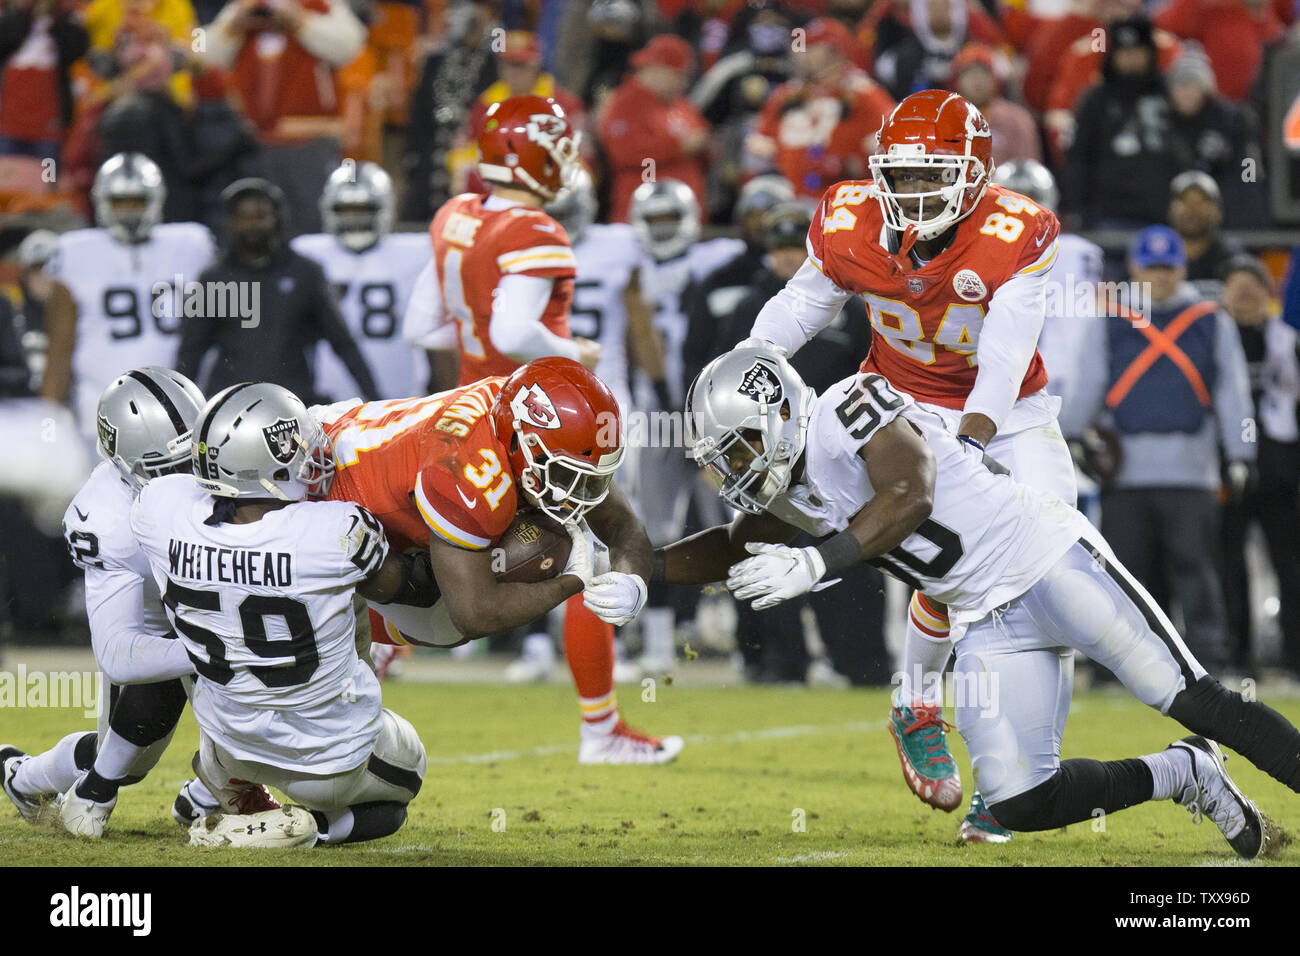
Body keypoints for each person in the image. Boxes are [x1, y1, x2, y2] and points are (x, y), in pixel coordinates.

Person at [660, 346, 1300, 857]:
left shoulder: (844, 408)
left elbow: (911, 492)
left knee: (1191, 696)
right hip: (985, 621)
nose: (733, 468)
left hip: (1043, 558)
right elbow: (728, 545)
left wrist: (815, 560)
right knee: (1021, 799)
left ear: (777, 413)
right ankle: (1184, 774)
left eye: (740, 445)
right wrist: (636, 570)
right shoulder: (787, 492)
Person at [743, 89, 1074, 842]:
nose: (915, 192)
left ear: (975, 172)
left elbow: (1002, 358)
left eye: (934, 176)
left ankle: (1019, 776)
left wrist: (977, 443)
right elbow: (802, 305)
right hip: (898, 405)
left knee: (1049, 581)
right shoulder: (850, 216)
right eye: (905, 174)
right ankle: (918, 703)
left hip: (1009, 414)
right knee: (952, 568)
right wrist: (749, 365)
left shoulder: (1016, 231)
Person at [316, 357, 685, 764]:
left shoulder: (523, 420)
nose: (579, 492)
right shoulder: (469, 466)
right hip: (315, 488)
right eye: (566, 475)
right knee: (364, 755)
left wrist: (633, 580)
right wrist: (572, 580)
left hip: (364, 472)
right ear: (521, 445)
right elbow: (475, 614)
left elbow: (621, 521)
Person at [131, 382, 430, 847]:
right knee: (405, 783)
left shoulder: (160, 511)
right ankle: (312, 831)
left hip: (228, 742)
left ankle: (214, 788)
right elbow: (408, 584)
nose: (309, 457)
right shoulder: (335, 530)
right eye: (295, 447)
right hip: (328, 757)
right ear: (264, 464)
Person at [1, 368, 278, 839]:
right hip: (156, 627)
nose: (191, 478)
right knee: (127, 757)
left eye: (196, 457)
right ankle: (23, 778)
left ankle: (210, 792)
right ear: (126, 465)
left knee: (263, 696)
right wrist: (218, 645)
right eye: (169, 468)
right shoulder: (108, 520)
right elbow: (121, 653)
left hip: (208, 611)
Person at [1060, 226, 1255, 678]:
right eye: (1151, 267)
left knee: (1198, 574)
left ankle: (1209, 663)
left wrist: (1241, 452)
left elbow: (1233, 394)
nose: (1160, 276)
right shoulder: (1109, 321)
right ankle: (1120, 668)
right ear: (1134, 267)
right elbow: (1089, 381)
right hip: (1126, 474)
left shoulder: (1211, 320)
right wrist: (1067, 432)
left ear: (1181, 268)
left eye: (1168, 267)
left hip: (1193, 472)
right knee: (1125, 581)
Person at [628, 177, 745, 676]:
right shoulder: (629, 273)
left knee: (736, 525)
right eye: (653, 220)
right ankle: (657, 649)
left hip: (713, 416)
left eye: (669, 219)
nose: (662, 229)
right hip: (656, 417)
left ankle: (744, 642)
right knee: (655, 534)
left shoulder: (714, 260)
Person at [40, 152, 215, 438]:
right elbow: (60, 345)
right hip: (102, 402)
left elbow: (217, 329)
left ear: (156, 199)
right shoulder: (75, 253)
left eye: (137, 201)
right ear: (102, 201)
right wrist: (49, 415)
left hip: (181, 403)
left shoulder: (191, 245)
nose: (130, 211)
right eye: (120, 202)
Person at [175, 176, 381, 404]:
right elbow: (191, 351)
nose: (252, 225)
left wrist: (374, 398)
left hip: (293, 402)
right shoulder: (213, 278)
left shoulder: (306, 272)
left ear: (277, 218)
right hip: (230, 403)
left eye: (261, 216)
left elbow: (343, 343)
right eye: (243, 217)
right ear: (231, 222)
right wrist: (179, 410)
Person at [1216, 255, 1300, 675]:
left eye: (1254, 286)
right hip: (1229, 459)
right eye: (1237, 286)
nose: (1245, 294)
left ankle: (1293, 659)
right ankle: (1238, 658)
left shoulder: (1288, 338)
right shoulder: (1212, 334)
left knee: (1290, 561)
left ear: (1269, 294)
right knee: (1229, 561)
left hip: (1279, 462)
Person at [291, 162, 431, 402]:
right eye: (345, 210)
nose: (354, 219)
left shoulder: (420, 252)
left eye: (363, 209)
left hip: (399, 391)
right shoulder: (308, 253)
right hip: (329, 393)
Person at [743, 17, 894, 202]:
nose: (802, 54)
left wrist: (851, 162)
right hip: (787, 200)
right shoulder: (787, 95)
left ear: (835, 51)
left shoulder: (864, 94)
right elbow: (757, 152)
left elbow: (889, 151)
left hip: (846, 200)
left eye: (812, 47)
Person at [598, 33, 711, 223]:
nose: (683, 83)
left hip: (684, 215)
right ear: (657, 69)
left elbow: (703, 140)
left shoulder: (680, 104)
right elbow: (626, 153)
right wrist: (678, 147)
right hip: (641, 217)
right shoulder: (625, 103)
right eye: (677, 75)